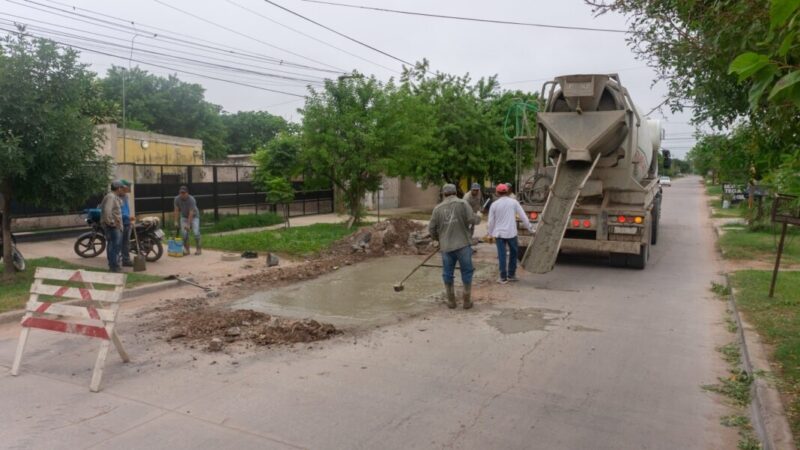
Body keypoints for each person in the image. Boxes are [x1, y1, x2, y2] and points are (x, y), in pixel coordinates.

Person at [428, 183, 481, 309]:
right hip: (463, 245)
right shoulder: (463, 204)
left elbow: (431, 228)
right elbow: (473, 220)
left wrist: (437, 239)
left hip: (446, 247)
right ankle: (467, 301)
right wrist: (479, 217)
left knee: (447, 273)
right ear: (455, 192)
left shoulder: (437, 209)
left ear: (443, 194)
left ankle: (451, 301)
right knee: (467, 271)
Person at [487, 183, 532, 283]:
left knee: (502, 255)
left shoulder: (494, 205)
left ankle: (503, 277)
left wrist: (489, 234)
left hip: (499, 234)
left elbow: (490, 222)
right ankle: (511, 275)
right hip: (511, 233)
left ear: (497, 193)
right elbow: (523, 216)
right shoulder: (514, 202)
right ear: (507, 191)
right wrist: (530, 229)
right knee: (513, 254)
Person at [100, 181, 124, 272]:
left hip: (114, 226)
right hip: (113, 227)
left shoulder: (114, 197)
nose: (123, 190)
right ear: (118, 189)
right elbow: (107, 211)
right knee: (114, 246)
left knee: (112, 246)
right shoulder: (111, 197)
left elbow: (119, 206)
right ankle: (114, 266)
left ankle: (113, 266)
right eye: (122, 188)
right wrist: (111, 223)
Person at [174, 185, 201, 255]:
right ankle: (187, 250)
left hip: (195, 216)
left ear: (187, 193)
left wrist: (189, 225)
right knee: (184, 234)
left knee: (196, 232)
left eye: (184, 193)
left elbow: (191, 213)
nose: (182, 194)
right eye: (181, 193)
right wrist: (176, 221)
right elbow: (176, 210)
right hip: (184, 217)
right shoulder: (177, 199)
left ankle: (198, 249)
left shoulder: (191, 199)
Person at [119, 179, 134, 267]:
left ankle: (126, 260)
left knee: (126, 243)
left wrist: (129, 219)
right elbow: (119, 212)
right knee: (119, 243)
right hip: (120, 223)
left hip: (126, 222)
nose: (129, 189)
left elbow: (126, 210)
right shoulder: (117, 197)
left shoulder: (125, 197)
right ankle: (118, 260)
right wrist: (127, 217)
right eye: (128, 187)